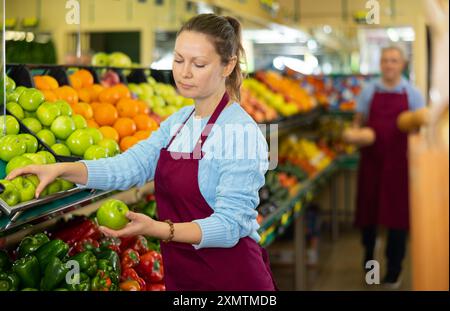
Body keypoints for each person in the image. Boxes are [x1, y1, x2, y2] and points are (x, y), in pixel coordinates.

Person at [7, 14, 277, 291]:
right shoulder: (179, 122)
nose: (184, 73)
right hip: (184, 275)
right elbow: (129, 166)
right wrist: (63, 169)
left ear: (227, 65)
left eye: (198, 64)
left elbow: (229, 226)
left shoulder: (241, 132)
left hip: (232, 279)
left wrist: (159, 229)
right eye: (178, 60)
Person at [354, 46, 425, 288]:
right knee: (369, 217)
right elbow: (358, 124)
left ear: (402, 65)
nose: (389, 65)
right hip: (371, 166)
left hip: (400, 168)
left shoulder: (413, 95)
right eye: (385, 60)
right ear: (380, 64)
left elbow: (420, 133)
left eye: (394, 61)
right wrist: (355, 135)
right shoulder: (368, 92)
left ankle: (394, 270)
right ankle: (369, 264)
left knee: (397, 220)